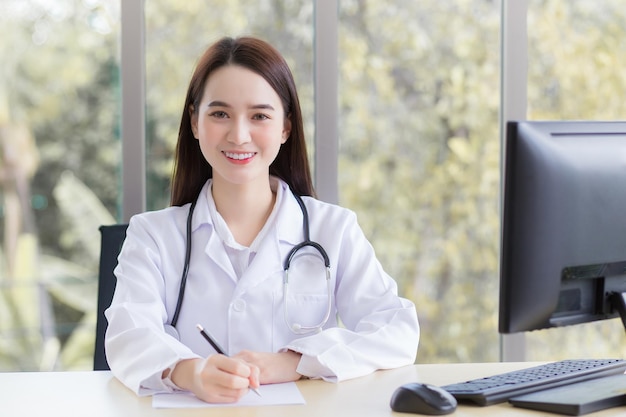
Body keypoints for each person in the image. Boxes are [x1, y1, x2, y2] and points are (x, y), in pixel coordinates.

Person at [105, 35, 419, 404]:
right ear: (194, 122)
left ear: (286, 127)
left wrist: (292, 362)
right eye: (220, 114)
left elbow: (397, 329)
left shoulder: (333, 229)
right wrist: (190, 372)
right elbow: (127, 334)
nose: (239, 135)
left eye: (259, 116)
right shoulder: (152, 236)